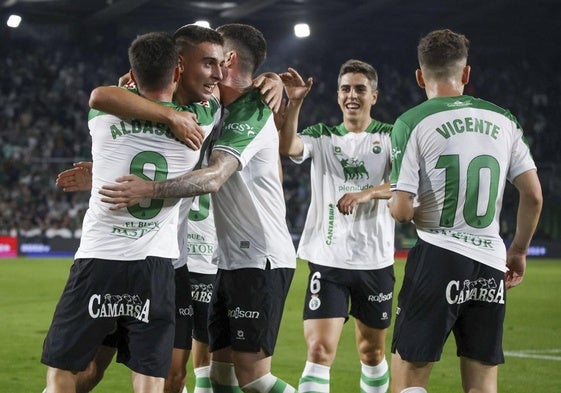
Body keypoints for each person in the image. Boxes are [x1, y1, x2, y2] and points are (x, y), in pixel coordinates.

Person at [98, 23, 298, 393]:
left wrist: (149, 189)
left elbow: (213, 178)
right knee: (220, 376)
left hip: (260, 258)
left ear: (229, 60)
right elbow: (107, 99)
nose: (203, 69)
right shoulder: (217, 108)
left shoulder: (252, 109)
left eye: (215, 59)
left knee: (254, 379)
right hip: (231, 260)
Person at [41, 31, 212, 393]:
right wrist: (171, 115)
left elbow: (103, 94)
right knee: (150, 378)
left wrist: (140, 91)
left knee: (63, 375)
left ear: (131, 76)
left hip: (98, 259)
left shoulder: (101, 116)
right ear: (179, 70)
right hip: (155, 265)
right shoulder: (200, 121)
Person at [388, 28, 543, 393]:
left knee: (408, 378)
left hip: (438, 257)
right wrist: (517, 251)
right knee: (482, 384)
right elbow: (533, 195)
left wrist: (402, 202)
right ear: (466, 73)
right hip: (490, 262)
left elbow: (401, 212)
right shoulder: (504, 120)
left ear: (419, 76)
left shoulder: (411, 122)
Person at [277, 60, 394, 393]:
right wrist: (295, 102)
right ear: (338, 95)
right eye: (345, 88)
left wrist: (366, 193)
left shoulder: (389, 136)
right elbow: (289, 147)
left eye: (359, 89)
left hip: (375, 261)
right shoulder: (323, 136)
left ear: (375, 95)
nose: (351, 95)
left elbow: (402, 183)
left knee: (371, 352)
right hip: (327, 260)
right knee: (318, 351)